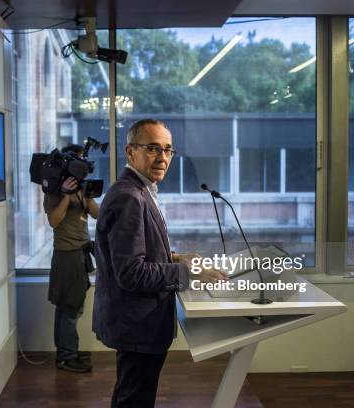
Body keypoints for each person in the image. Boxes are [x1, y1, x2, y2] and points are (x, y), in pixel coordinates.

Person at [92, 119, 226, 407]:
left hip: (136, 322)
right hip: (137, 324)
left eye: (168, 150)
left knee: (130, 394)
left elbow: (138, 252)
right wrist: (186, 272)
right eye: (153, 149)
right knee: (134, 399)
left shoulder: (140, 191)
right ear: (130, 152)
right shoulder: (129, 197)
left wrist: (178, 257)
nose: (163, 158)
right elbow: (131, 273)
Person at [44, 144, 99, 373]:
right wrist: (66, 196)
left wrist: (88, 196)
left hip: (81, 251)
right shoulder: (54, 190)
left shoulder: (79, 188)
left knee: (70, 306)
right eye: (77, 161)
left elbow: (97, 214)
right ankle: (67, 356)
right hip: (66, 254)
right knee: (70, 307)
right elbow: (54, 221)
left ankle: (67, 352)